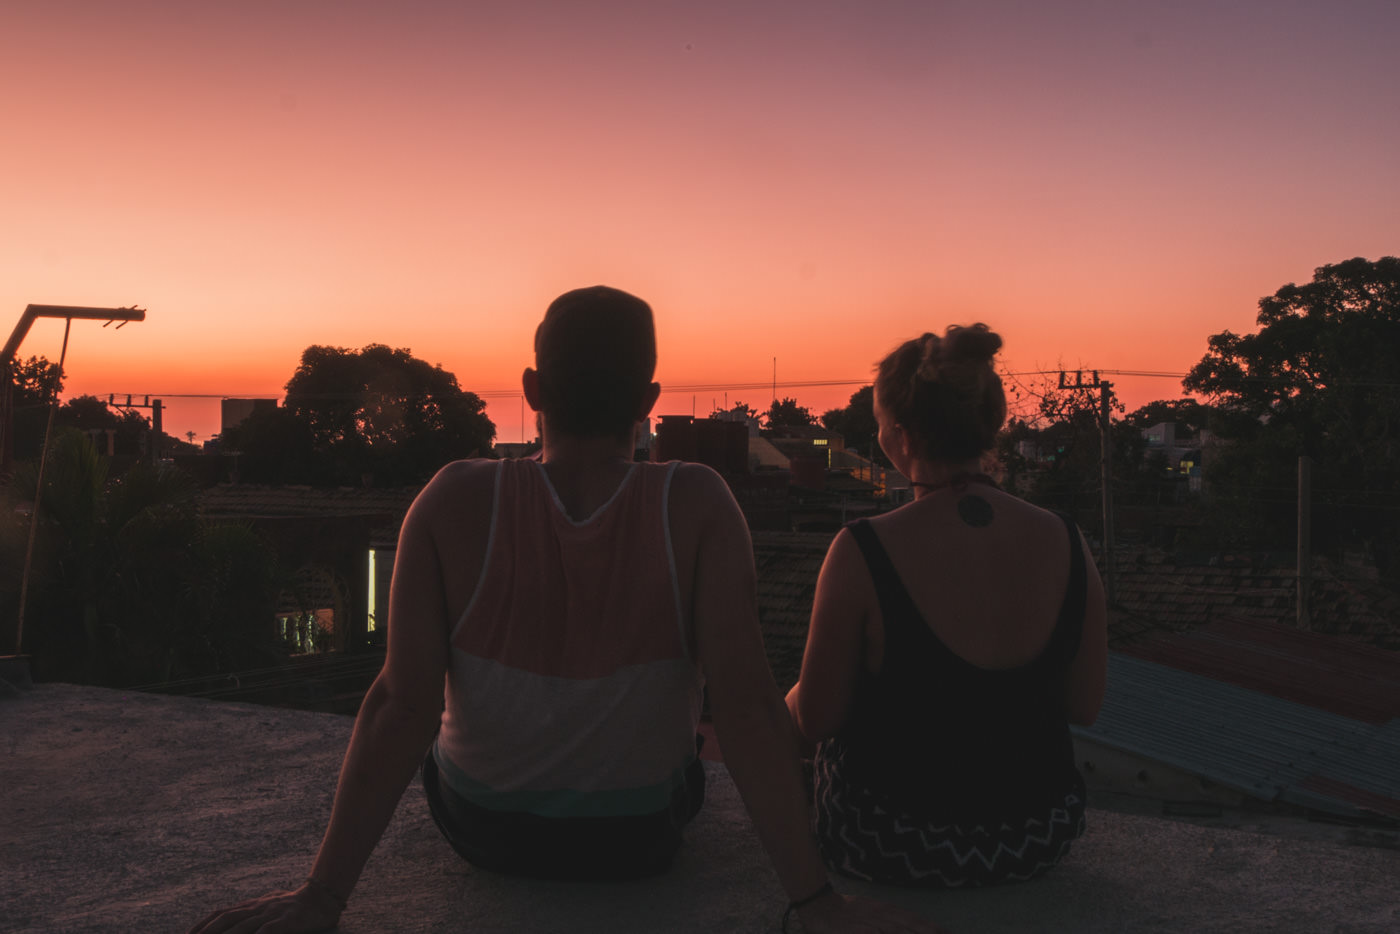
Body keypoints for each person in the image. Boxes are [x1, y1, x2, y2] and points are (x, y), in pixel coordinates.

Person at [189, 287, 941, 934]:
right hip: (638, 840)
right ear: (647, 403)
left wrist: (321, 897)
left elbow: (400, 704)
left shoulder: (452, 498)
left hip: (484, 831)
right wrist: (816, 903)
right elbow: (744, 710)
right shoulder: (698, 503)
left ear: (532, 388)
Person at [785, 324, 1108, 888]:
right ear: (992, 423)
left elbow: (816, 719)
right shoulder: (1067, 540)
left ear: (901, 436)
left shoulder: (862, 548)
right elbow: (1083, 705)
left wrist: (777, 702)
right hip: (1036, 836)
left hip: (887, 838)